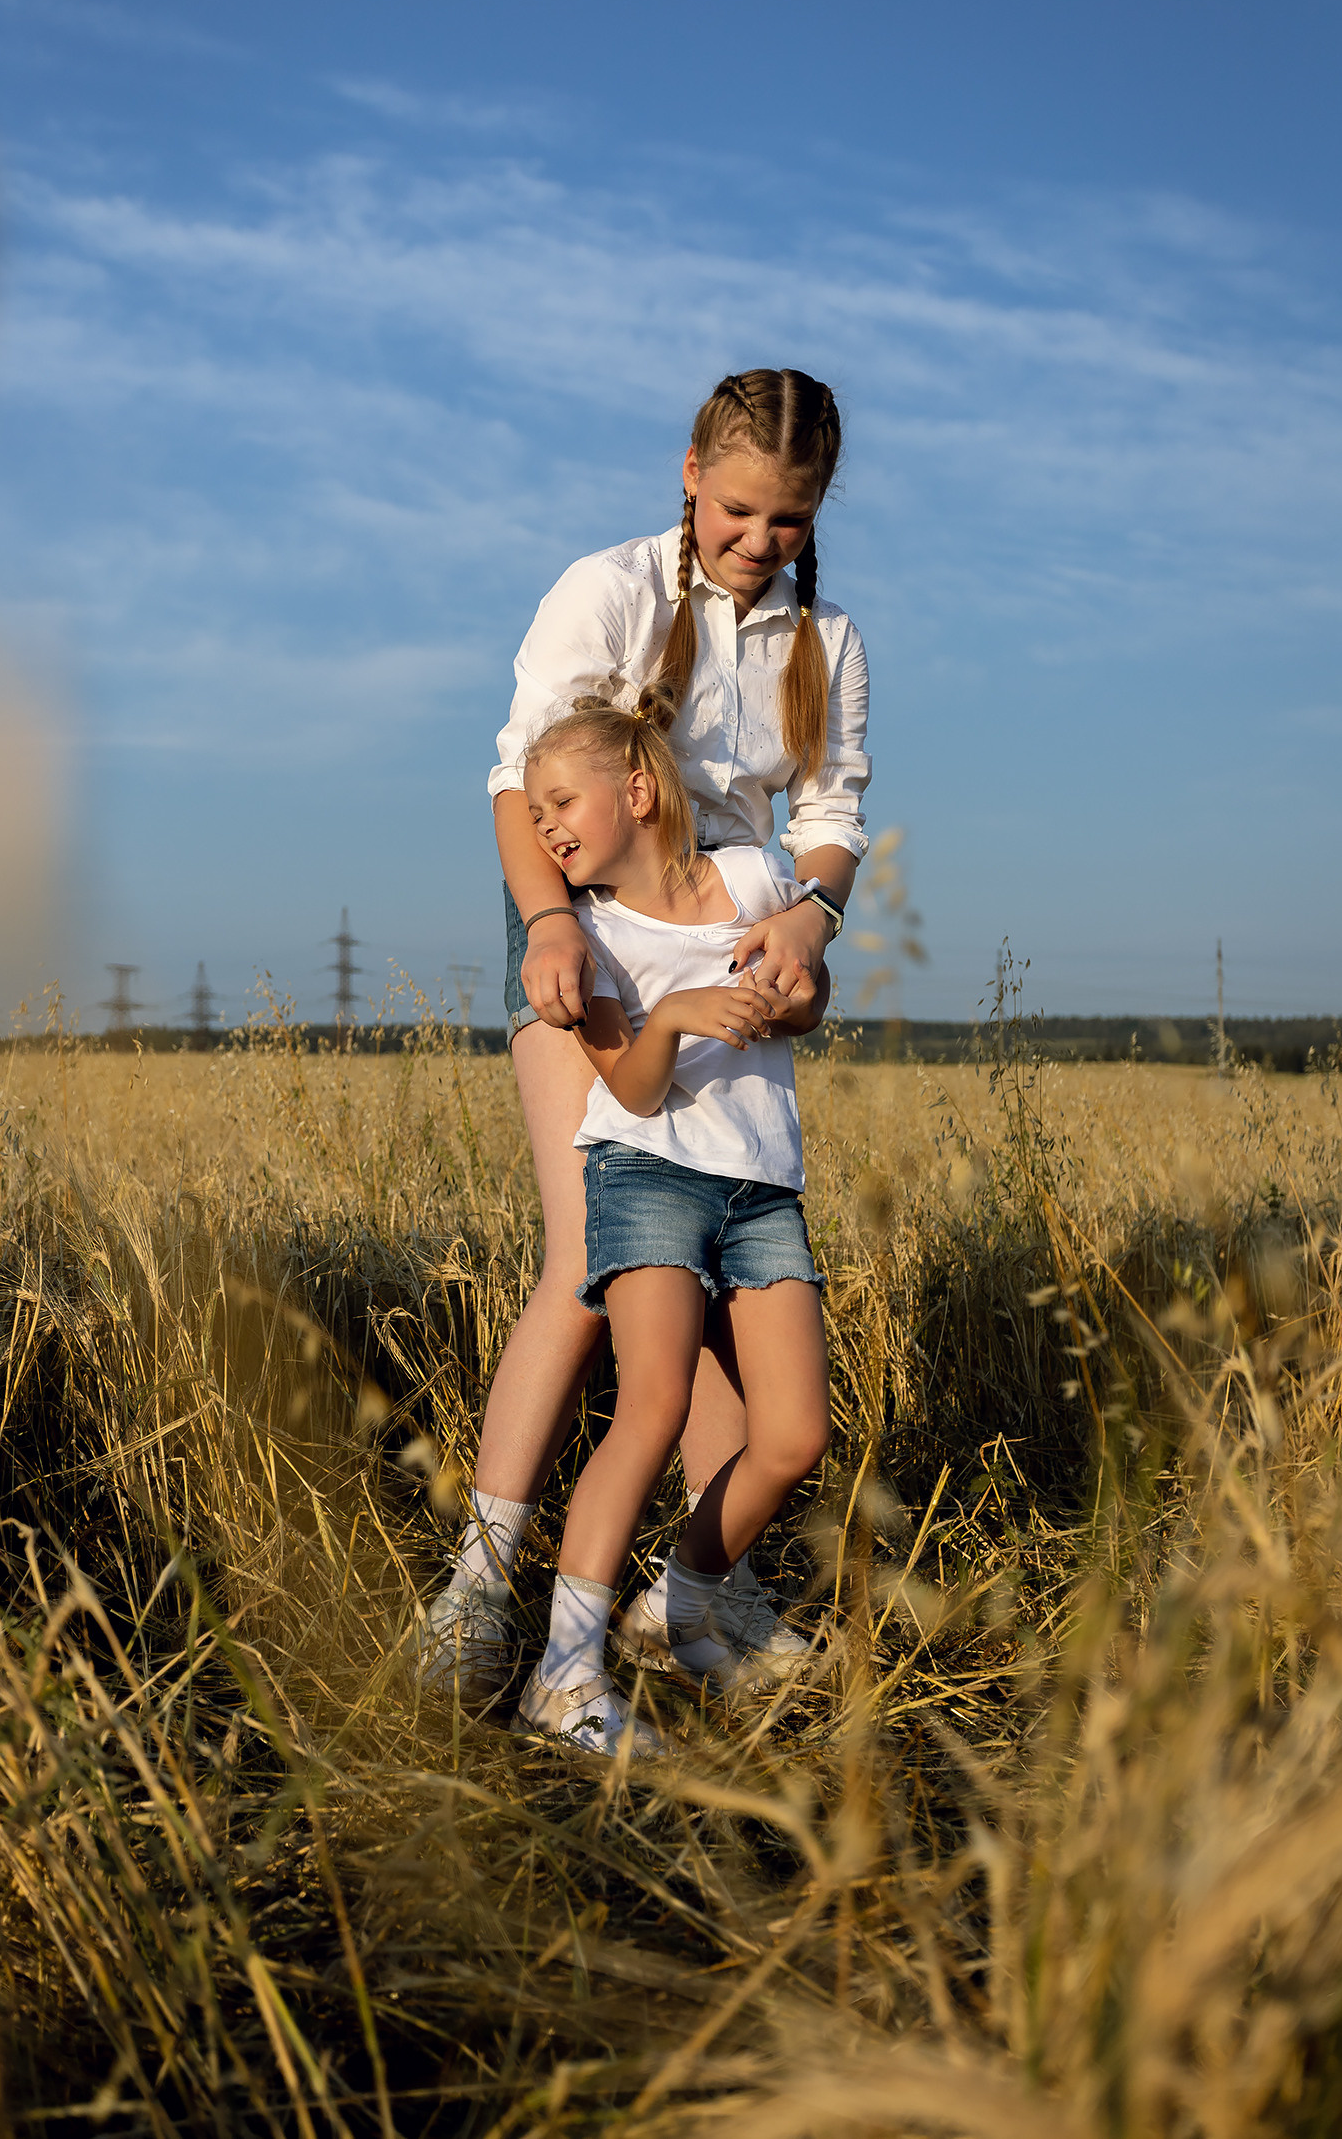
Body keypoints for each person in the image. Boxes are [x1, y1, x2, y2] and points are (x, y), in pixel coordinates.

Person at [421, 368, 869, 1694]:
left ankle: (694, 1602)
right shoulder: (606, 588)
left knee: (723, 1254)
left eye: (787, 522)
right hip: (590, 925)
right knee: (591, 1253)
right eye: (737, 509)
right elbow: (518, 779)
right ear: (689, 471)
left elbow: (830, 817)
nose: (756, 540)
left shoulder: (824, 641)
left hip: (731, 920)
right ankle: (483, 1585)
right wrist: (549, 923)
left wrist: (808, 927)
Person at [512, 686, 833, 1753]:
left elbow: (814, 997)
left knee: (793, 1437)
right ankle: (562, 1677)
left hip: (761, 1184)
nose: (546, 827)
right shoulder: (587, 942)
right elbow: (634, 1088)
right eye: (538, 811)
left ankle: (683, 1603)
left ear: (639, 789)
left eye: (562, 801)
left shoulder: (750, 878)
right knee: (649, 1409)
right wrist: (685, 1014)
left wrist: (790, 989)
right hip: (645, 1172)